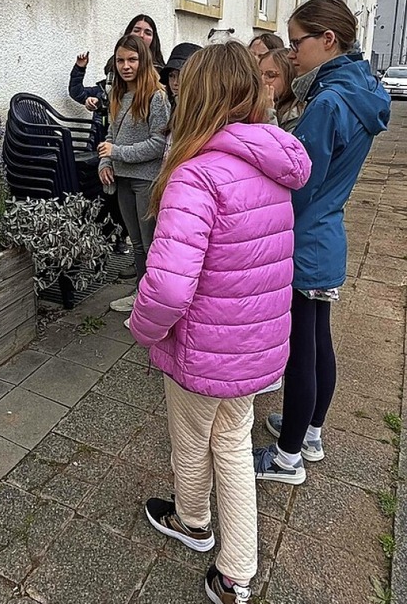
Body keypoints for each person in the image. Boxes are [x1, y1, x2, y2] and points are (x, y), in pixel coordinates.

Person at [129, 41, 311, 604]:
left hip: (203, 346)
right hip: (256, 343)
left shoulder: (196, 174)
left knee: (191, 439)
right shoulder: (274, 164)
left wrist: (143, 328)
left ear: (198, 96)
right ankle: (236, 572)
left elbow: (168, 285)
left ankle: (194, 523)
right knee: (231, 443)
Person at [254, 0, 391, 485]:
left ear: (327, 40)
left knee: (301, 350)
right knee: (318, 340)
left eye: (296, 43)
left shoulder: (329, 101)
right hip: (327, 235)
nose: (292, 55)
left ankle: (288, 456)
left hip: (307, 238)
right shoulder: (359, 90)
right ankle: (309, 432)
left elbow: (299, 179)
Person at [97, 34, 170, 318]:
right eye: (120, 60)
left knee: (151, 245)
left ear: (143, 60)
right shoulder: (117, 93)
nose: (126, 66)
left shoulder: (156, 97)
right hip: (122, 179)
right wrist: (105, 161)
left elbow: (158, 144)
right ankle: (141, 294)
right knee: (136, 243)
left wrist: (117, 153)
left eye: (132, 59)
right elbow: (110, 136)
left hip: (146, 180)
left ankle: (153, 306)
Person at [258, 47, 304, 131]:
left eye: (271, 75)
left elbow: (278, 143)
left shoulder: (298, 115)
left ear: (290, 77)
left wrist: (268, 113)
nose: (262, 81)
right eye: (259, 74)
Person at [160, 42, 202, 108]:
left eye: (181, 76)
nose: (175, 83)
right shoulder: (163, 103)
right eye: (171, 76)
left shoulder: (206, 108)